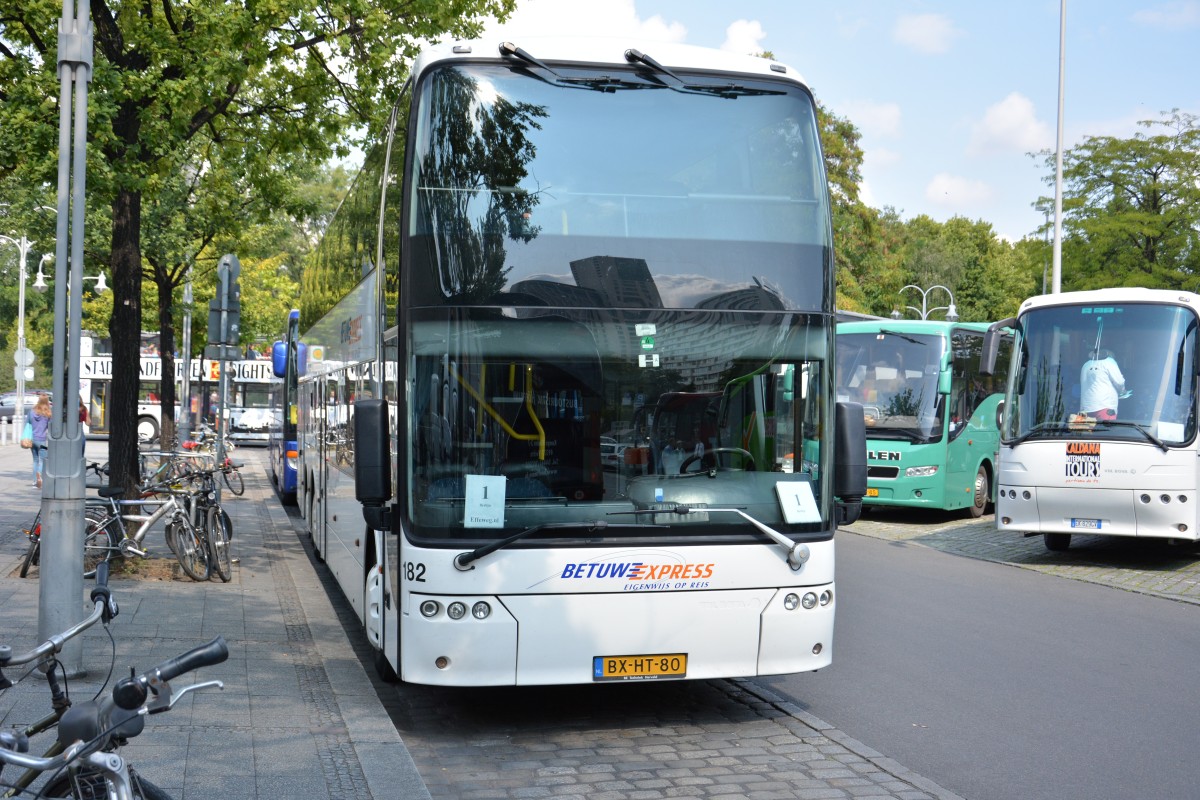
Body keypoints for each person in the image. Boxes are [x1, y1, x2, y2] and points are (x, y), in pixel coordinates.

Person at [1080, 348, 1126, 420]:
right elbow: (1119, 382)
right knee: (1105, 430)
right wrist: (1123, 391)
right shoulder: (1109, 362)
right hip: (1105, 407)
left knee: (1087, 431)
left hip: (1085, 408)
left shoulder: (1086, 364)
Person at [29, 394, 51, 489]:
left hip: (32, 439)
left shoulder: (32, 411)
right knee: (42, 461)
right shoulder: (48, 413)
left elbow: (27, 423)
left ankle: (34, 481)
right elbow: (51, 426)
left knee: (35, 460)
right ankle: (40, 478)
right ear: (47, 401)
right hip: (41, 439)